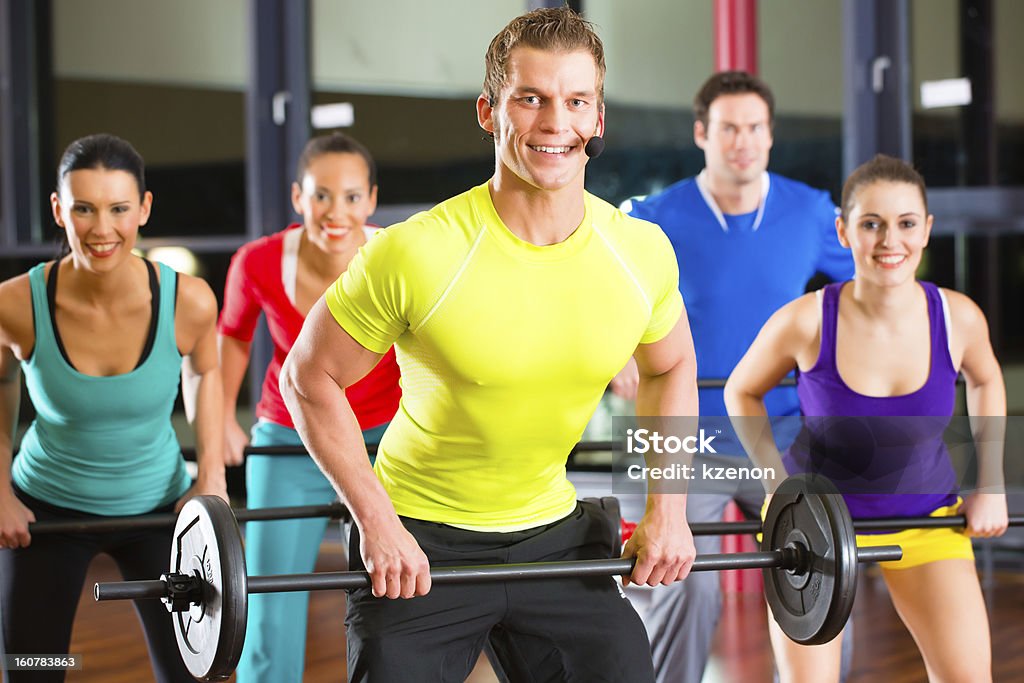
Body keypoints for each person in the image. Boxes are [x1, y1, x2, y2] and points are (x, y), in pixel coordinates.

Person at [279, 7, 699, 682]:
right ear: (488, 110)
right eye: (529, 98)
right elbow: (307, 377)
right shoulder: (419, 252)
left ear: (598, 118)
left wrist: (668, 508)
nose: (554, 122)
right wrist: (377, 523)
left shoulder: (639, 252)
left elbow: (672, 363)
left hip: (555, 537)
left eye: (575, 101)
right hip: (420, 540)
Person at [725, 154, 1008, 683]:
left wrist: (987, 484)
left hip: (927, 517)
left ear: (926, 230)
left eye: (904, 224)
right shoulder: (805, 319)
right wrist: (777, 483)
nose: (888, 241)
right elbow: (742, 390)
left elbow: (987, 380)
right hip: (813, 530)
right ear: (843, 230)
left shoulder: (958, 316)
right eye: (871, 224)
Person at [618, 71, 855, 683]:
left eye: (755, 128)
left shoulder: (810, 211)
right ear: (703, 133)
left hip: (779, 430)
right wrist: (617, 355)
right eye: (728, 128)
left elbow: (870, 290)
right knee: (681, 580)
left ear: (770, 136)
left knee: (826, 567)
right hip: (686, 433)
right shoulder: (653, 216)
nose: (742, 141)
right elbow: (603, 296)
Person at [0, 133, 227, 682]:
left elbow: (205, 372)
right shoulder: (15, 304)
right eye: (83, 208)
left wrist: (212, 477)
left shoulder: (189, 300)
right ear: (59, 209)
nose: (102, 229)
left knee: (191, 673)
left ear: (143, 208)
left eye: (119, 209)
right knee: (35, 668)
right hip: (46, 513)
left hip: (159, 512)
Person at [218, 132, 401, 682]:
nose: (335, 212)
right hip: (287, 439)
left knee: (396, 594)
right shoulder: (258, 261)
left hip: (385, 439)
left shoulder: (398, 254)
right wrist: (226, 416)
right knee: (269, 600)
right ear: (299, 197)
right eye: (321, 195)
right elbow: (231, 339)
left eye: (350, 197)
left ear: (370, 200)